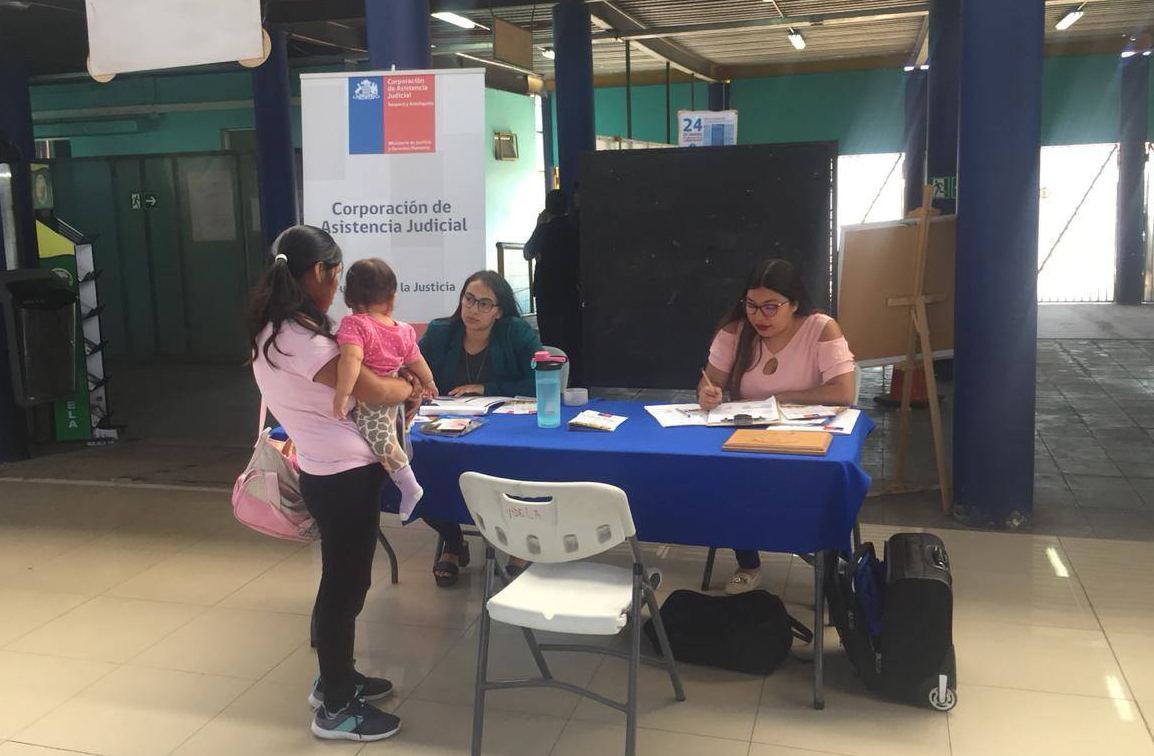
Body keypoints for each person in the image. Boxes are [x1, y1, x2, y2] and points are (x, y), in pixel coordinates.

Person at [247, 225, 419, 742]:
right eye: (336, 275)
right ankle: (337, 710)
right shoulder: (305, 340)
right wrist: (407, 384)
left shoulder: (274, 329)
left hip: (328, 472)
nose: (337, 287)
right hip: (343, 478)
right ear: (318, 272)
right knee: (347, 588)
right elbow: (371, 390)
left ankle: (335, 681)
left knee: (339, 582)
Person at [698, 258, 856, 595]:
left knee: (826, 483)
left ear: (794, 303)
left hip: (806, 440)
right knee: (722, 476)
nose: (759, 316)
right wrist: (708, 395)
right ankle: (748, 561)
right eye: (752, 306)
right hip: (747, 439)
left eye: (771, 307)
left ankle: (832, 566)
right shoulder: (735, 330)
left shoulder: (821, 328)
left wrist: (783, 399)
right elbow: (707, 385)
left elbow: (844, 392)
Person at [418, 270, 542, 586]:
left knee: (515, 470)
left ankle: (517, 546)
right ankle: (454, 540)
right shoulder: (439, 332)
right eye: (469, 299)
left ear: (499, 311)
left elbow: (543, 380)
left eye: (484, 304)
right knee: (420, 472)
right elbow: (411, 372)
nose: (473, 309)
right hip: (448, 426)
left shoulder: (515, 332)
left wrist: (487, 388)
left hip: (505, 428)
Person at [333, 258, 437, 522]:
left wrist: (343, 393)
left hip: (373, 401)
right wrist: (429, 382)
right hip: (396, 397)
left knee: (379, 439)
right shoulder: (402, 329)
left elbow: (351, 361)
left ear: (348, 298)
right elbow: (416, 360)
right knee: (392, 435)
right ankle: (406, 479)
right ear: (392, 296)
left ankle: (408, 484)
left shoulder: (355, 325)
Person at [523, 189, 582, 384]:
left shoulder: (544, 229)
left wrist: (539, 225)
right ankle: (575, 376)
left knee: (549, 335)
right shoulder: (576, 228)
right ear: (567, 206)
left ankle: (553, 375)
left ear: (547, 208)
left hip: (546, 290)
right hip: (570, 289)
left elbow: (527, 253)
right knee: (571, 333)